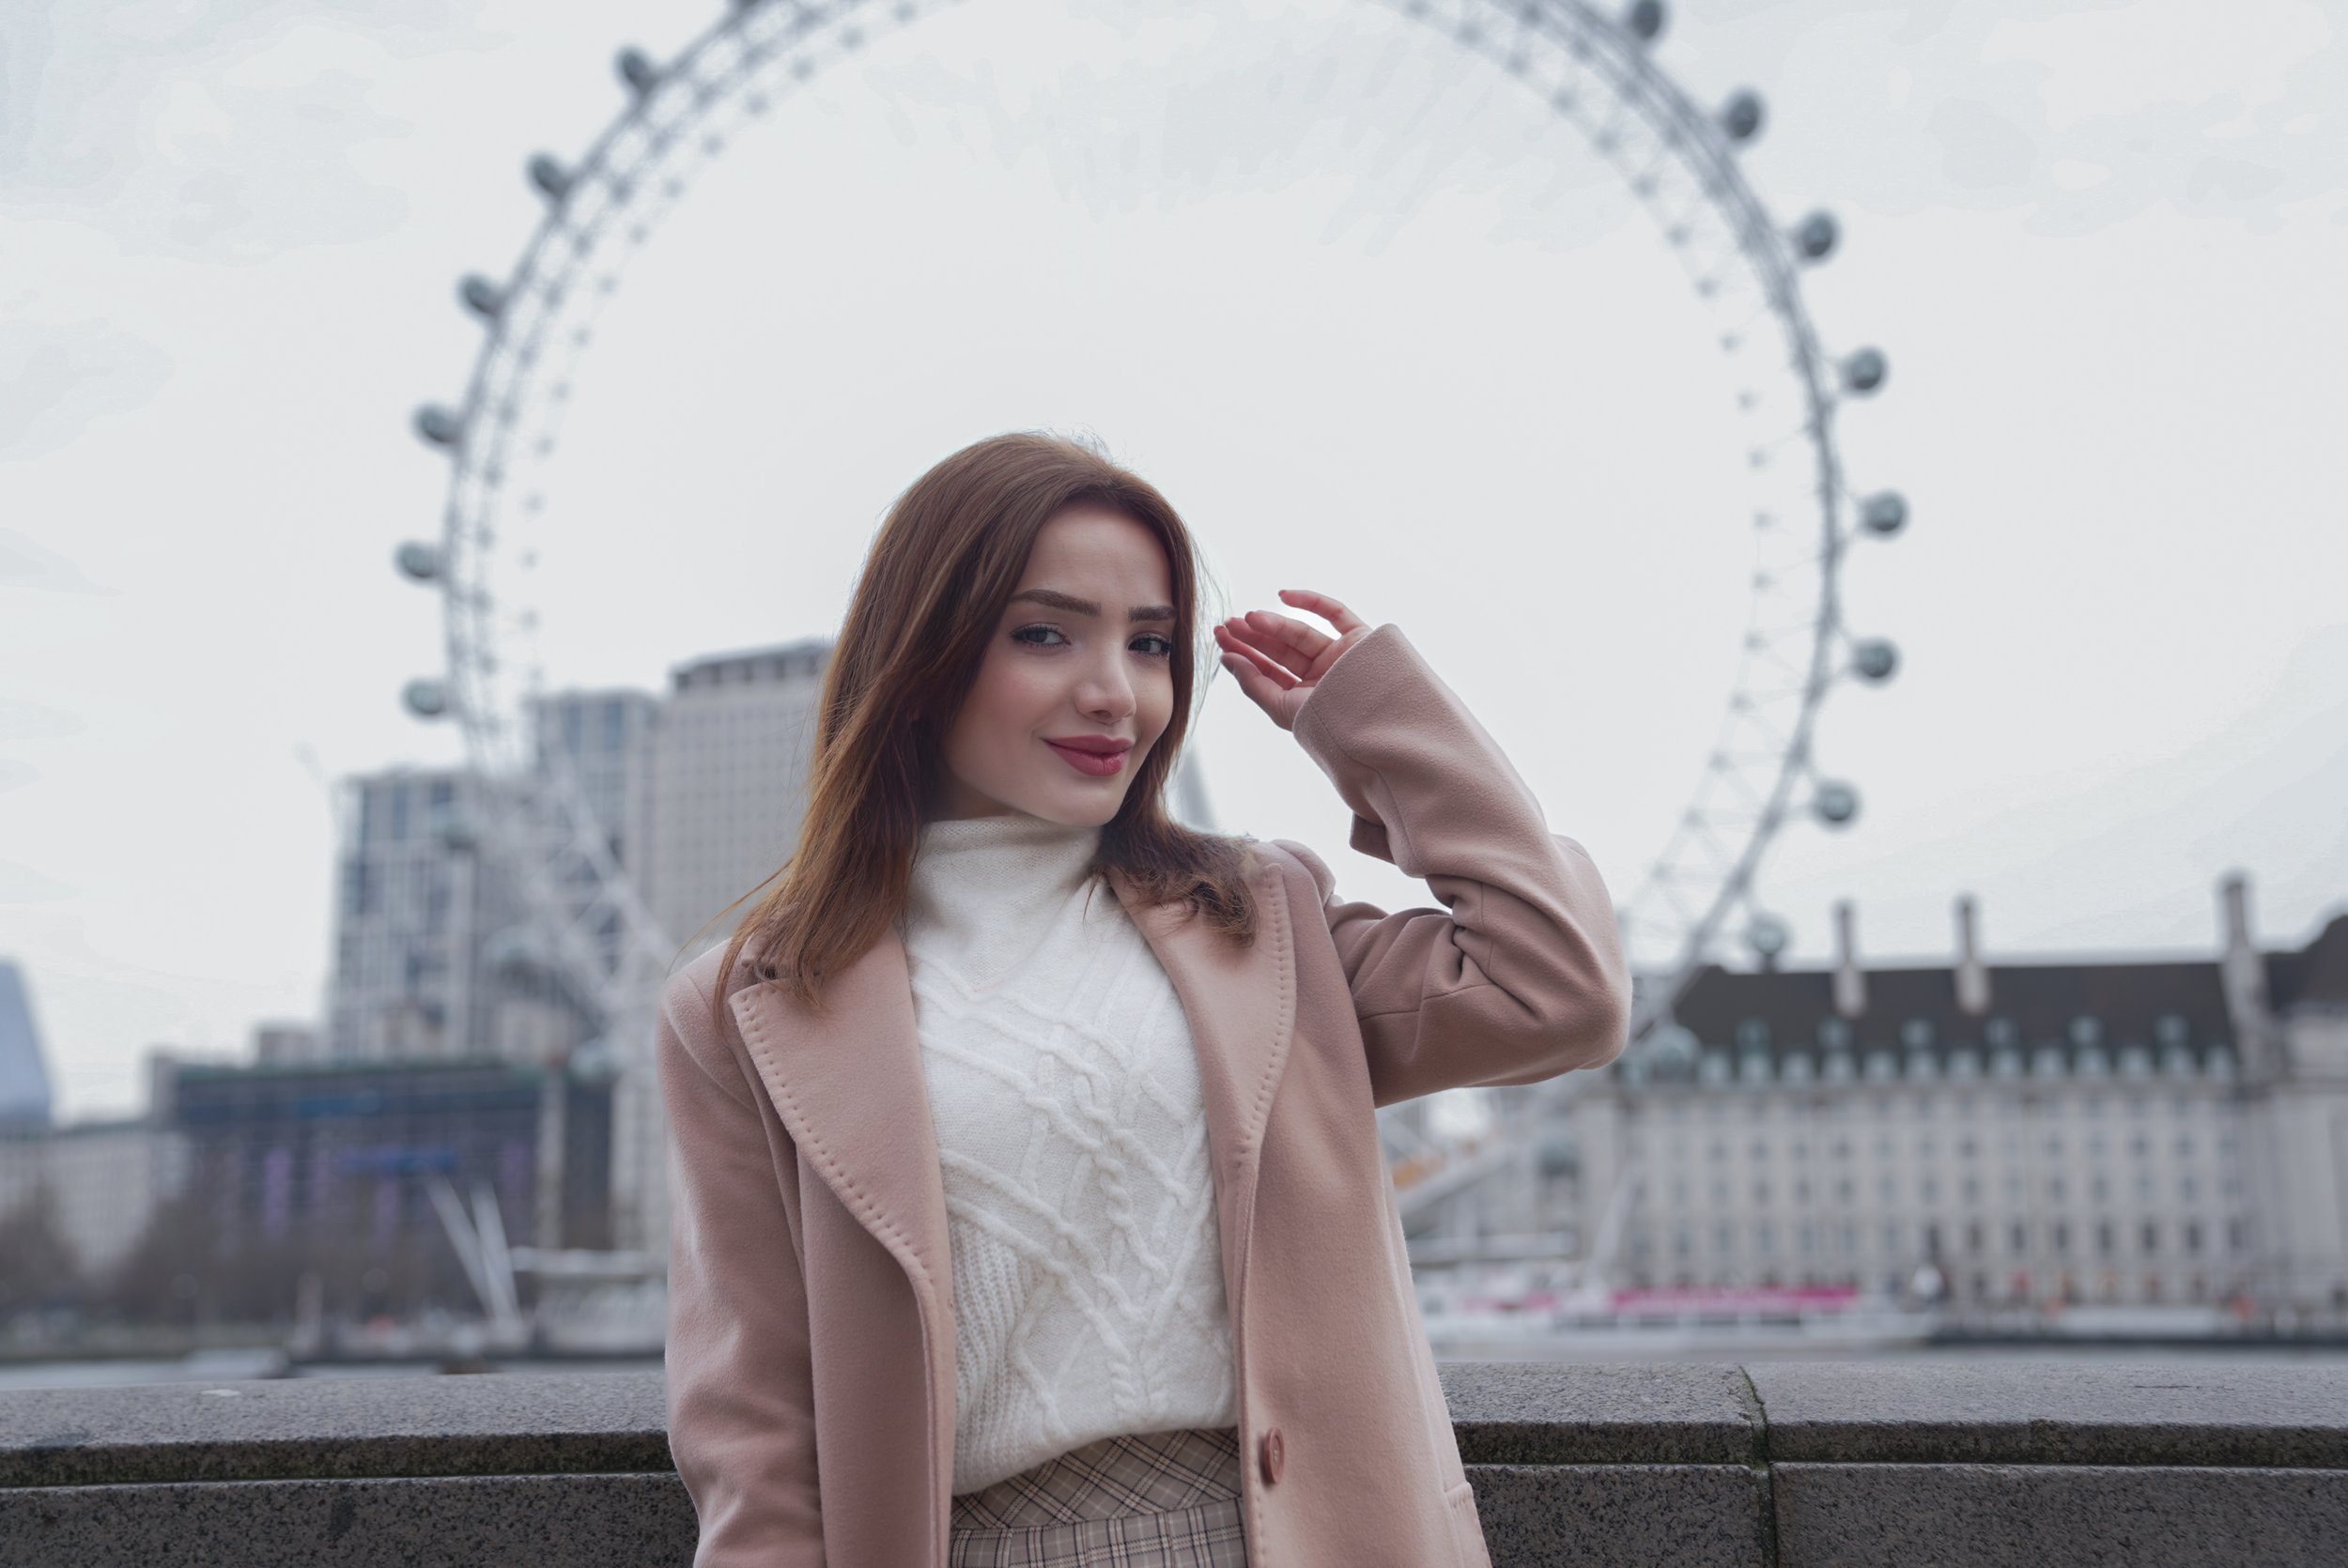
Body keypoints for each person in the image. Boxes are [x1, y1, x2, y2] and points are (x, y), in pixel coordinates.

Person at [657, 430, 1632, 1567]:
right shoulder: (742, 1008)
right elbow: (756, 1436)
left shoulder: (1260, 920)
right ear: (922, 656)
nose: (1114, 691)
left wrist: (1376, 722)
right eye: (1044, 633)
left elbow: (1560, 984)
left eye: (1152, 643)